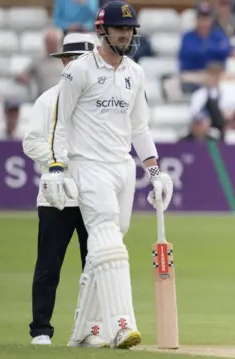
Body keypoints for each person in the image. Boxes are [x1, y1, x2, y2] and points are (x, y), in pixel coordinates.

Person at [39, 1, 174, 349]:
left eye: (130, 30)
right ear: (103, 31)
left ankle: (86, 330)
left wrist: (155, 171)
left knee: (107, 246)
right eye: (120, 29)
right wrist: (56, 166)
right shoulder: (78, 71)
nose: (126, 35)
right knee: (107, 238)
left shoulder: (135, 72)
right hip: (88, 165)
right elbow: (60, 123)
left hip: (122, 168)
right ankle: (122, 325)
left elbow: (139, 127)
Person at [22, 33, 95, 346]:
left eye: (79, 60)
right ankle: (41, 329)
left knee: (95, 265)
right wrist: (57, 163)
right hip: (57, 194)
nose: (73, 65)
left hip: (93, 192)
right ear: (63, 62)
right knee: (49, 264)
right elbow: (31, 141)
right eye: (69, 59)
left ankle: (92, 328)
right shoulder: (48, 99)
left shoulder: (99, 102)